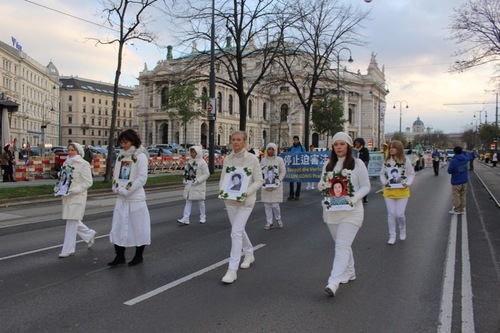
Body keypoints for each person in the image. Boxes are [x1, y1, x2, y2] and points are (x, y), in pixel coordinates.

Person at [317, 132, 370, 296]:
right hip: (332, 212)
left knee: (341, 246)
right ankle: (350, 271)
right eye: (336, 144)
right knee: (342, 244)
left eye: (342, 144)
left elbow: (366, 186)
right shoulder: (328, 165)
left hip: (352, 212)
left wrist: (354, 199)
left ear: (349, 146)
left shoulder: (358, 163)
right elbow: (321, 185)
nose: (339, 147)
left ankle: (333, 282)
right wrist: (324, 184)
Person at [219, 131, 264, 284]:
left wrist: (247, 192)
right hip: (230, 201)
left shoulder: (252, 159)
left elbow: (259, 180)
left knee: (235, 232)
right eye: (233, 140)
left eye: (239, 140)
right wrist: (222, 193)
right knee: (239, 230)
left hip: (246, 202)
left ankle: (232, 270)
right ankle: (249, 252)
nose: (236, 142)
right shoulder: (228, 159)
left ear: (244, 142)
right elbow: (224, 178)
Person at [108, 129, 151, 266]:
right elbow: (117, 174)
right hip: (121, 198)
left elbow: (142, 178)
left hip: (135, 198)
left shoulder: (140, 157)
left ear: (133, 141)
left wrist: (128, 190)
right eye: (121, 142)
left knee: (138, 227)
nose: (123, 145)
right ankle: (119, 255)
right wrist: (115, 186)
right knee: (118, 227)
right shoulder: (121, 156)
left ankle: (139, 256)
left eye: (125, 142)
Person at [56, 142, 97, 258]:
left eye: (72, 150)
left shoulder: (84, 164)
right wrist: (59, 188)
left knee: (71, 222)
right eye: (68, 150)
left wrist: (75, 190)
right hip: (67, 196)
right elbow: (64, 179)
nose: (69, 152)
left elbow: (88, 182)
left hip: (78, 196)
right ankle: (89, 234)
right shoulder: (66, 163)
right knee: (72, 219)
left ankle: (68, 249)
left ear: (78, 151)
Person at [380, 140, 416, 245]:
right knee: (391, 214)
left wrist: (408, 183)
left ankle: (402, 227)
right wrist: (385, 182)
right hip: (389, 191)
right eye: (390, 147)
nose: (391, 149)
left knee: (399, 214)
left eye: (394, 147)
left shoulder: (406, 161)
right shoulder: (387, 161)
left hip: (402, 191)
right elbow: (382, 174)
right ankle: (392, 235)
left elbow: (411, 174)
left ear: (399, 149)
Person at [177, 146, 209, 225]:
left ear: (198, 153)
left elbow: (206, 174)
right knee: (188, 200)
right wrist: (185, 179)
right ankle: (186, 218)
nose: (192, 154)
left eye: (194, 152)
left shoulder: (202, 162)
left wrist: (198, 181)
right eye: (191, 152)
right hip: (190, 184)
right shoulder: (190, 161)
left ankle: (203, 216)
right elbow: (186, 172)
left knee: (201, 201)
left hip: (198, 185)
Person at [260, 142, 286, 230]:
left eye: (272, 149)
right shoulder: (263, 160)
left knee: (275, 205)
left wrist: (279, 179)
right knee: (267, 205)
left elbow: (283, 171)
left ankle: (278, 218)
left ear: (275, 150)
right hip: (266, 185)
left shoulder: (279, 160)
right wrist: (262, 179)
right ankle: (269, 222)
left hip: (276, 186)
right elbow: (260, 171)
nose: (270, 151)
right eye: (269, 149)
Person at [447, 146, 470, 215]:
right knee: (463, 195)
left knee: (456, 195)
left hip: (456, 181)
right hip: (464, 180)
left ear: (454, 152)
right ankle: (462, 209)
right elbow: (469, 157)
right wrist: (464, 152)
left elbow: (449, 171)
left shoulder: (453, 161)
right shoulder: (465, 159)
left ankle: (457, 209)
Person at [288, 135, 305, 200]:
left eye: (296, 140)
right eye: (294, 140)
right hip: (292, 166)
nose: (295, 141)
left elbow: (305, 155)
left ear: (298, 140)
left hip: (299, 166)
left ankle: (297, 195)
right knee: (291, 181)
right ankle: (291, 195)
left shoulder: (301, 148)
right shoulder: (291, 148)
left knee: (298, 181)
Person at [353, 138, 370, 204]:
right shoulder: (353, 150)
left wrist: (363, 166)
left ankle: (365, 198)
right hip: (354, 169)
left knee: (363, 184)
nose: (356, 143)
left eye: (357, 142)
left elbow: (366, 160)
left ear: (361, 143)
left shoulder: (365, 150)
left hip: (362, 169)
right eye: (355, 142)